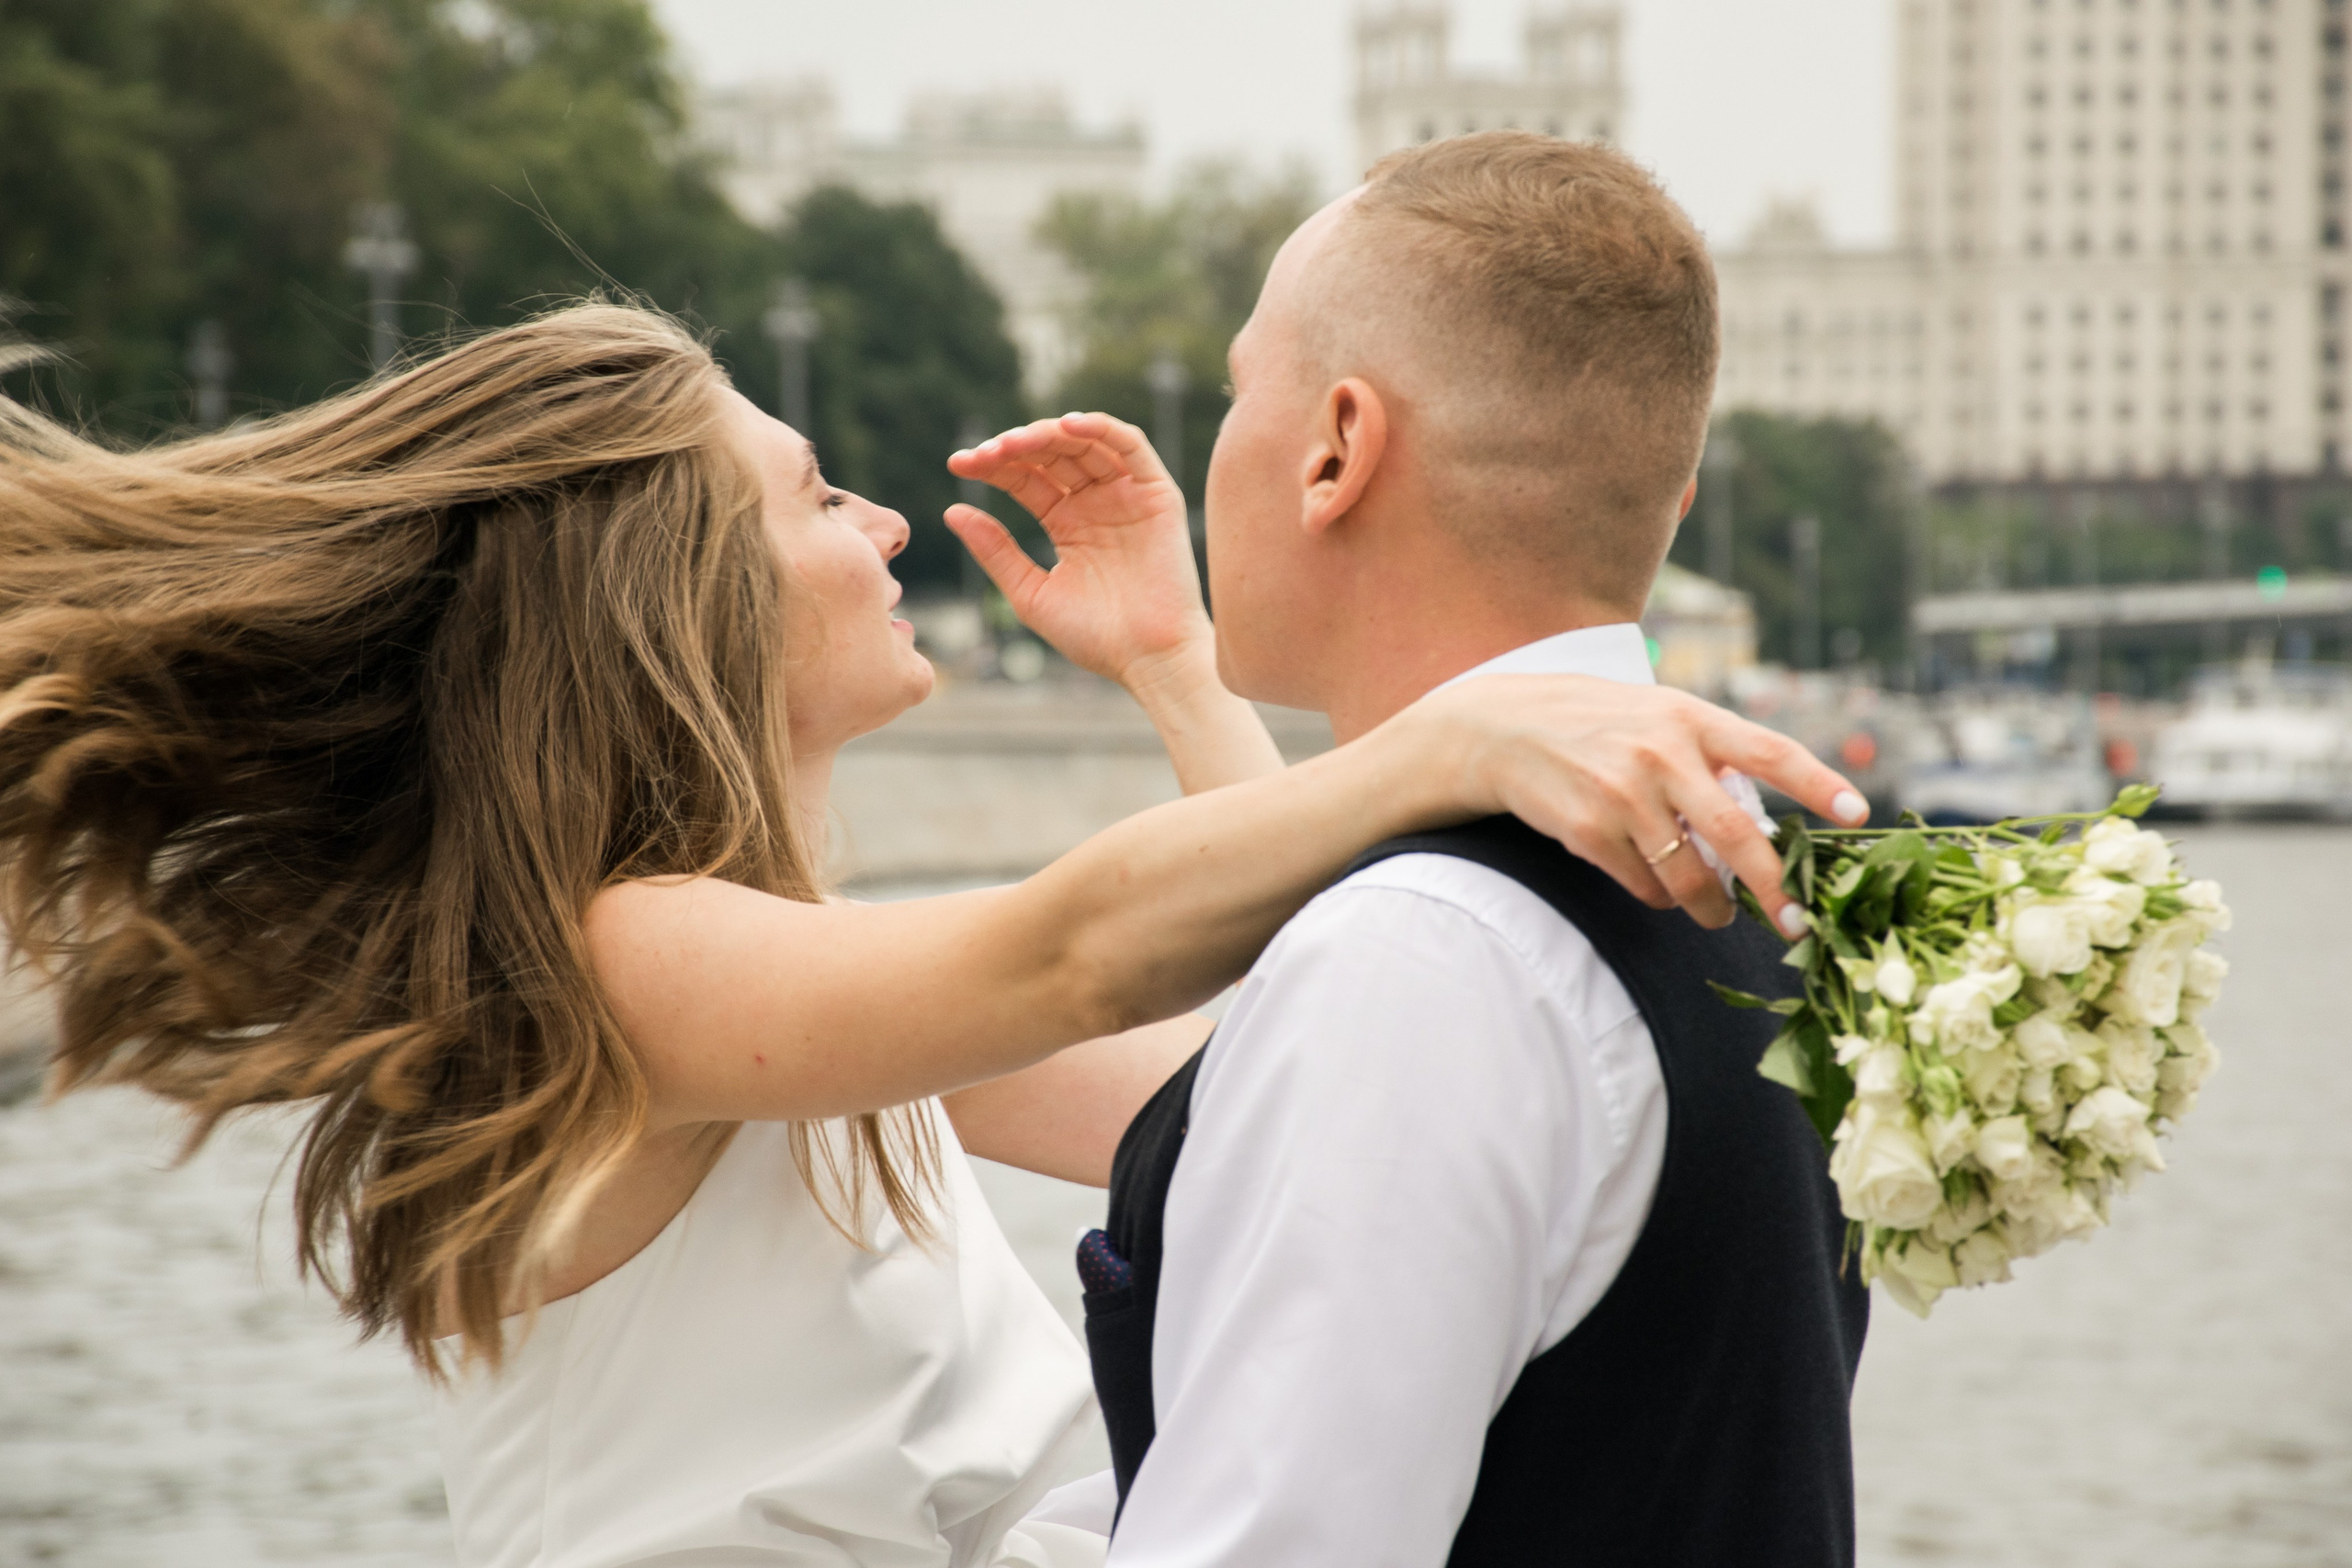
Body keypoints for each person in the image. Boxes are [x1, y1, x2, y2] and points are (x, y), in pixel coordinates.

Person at [0, 299, 1858, 1568]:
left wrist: (1175, 665)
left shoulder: (806, 996)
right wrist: (1449, 741)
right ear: (680, 597)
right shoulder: (624, 965)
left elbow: (1265, 1073)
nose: (888, 520)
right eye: (817, 495)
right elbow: (1072, 952)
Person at [1033, 132, 1874, 1567]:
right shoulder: (1760, 898)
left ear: (1338, 448)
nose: (1215, 441)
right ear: (1670, 508)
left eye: (1242, 390)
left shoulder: (1421, 958)